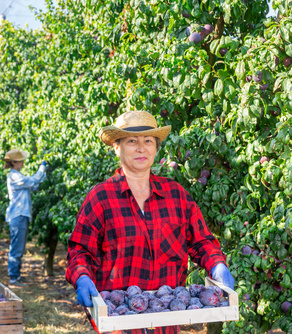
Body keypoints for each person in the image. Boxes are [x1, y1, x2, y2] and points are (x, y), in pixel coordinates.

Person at [66, 110, 234, 334]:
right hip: (118, 323)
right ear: (117, 147)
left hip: (166, 320)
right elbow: (80, 251)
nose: (140, 148)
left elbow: (202, 241)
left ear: (155, 147)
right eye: (132, 141)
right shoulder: (101, 198)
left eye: (148, 141)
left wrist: (216, 264)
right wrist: (82, 276)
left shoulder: (177, 196)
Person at [3, 149, 47, 287]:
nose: (23, 162)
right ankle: (13, 278)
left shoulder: (18, 176)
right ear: (14, 162)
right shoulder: (14, 176)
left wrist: (42, 176)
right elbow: (32, 180)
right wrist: (41, 169)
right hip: (18, 216)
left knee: (19, 247)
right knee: (16, 248)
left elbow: (32, 185)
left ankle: (17, 276)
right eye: (21, 160)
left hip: (21, 215)